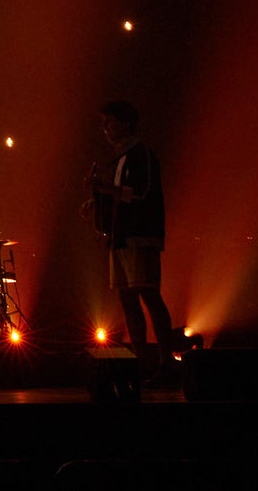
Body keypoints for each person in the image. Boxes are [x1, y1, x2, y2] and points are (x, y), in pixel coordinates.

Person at [82, 99, 175, 378]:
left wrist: (104, 190)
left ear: (125, 123)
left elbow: (141, 192)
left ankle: (165, 363)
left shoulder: (141, 154)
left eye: (109, 122)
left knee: (147, 294)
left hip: (140, 235)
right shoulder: (122, 158)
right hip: (121, 237)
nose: (105, 129)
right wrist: (97, 201)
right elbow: (122, 194)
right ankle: (144, 364)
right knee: (128, 299)